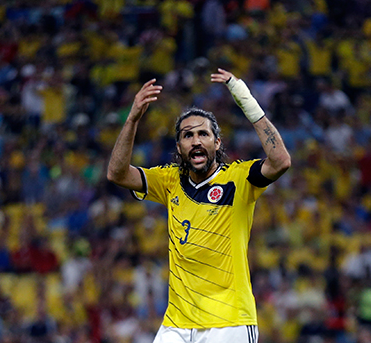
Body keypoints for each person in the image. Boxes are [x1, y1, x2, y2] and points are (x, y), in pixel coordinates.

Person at [107, 69, 291, 343]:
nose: (195, 140)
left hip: (229, 322)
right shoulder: (169, 180)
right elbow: (117, 174)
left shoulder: (238, 178)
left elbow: (280, 161)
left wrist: (246, 101)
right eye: (187, 135)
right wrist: (133, 118)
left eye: (203, 134)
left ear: (216, 143)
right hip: (178, 323)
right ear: (179, 147)